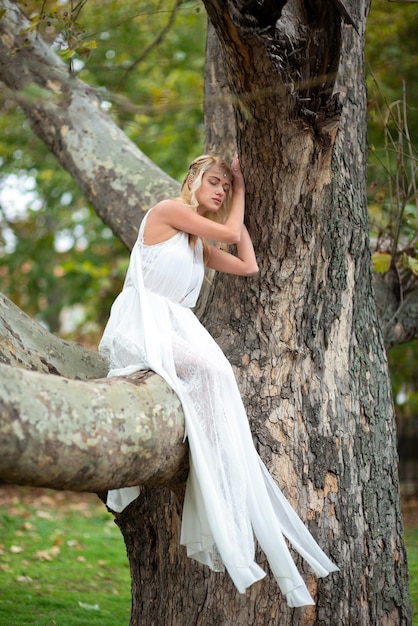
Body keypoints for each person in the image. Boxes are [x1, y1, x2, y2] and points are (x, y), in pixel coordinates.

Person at [99, 154, 338, 607]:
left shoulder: (196, 241)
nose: (220, 191)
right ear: (192, 180)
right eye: (214, 182)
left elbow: (247, 265)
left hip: (177, 326)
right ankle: (210, 455)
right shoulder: (168, 211)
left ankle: (214, 458)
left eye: (225, 188)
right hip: (145, 323)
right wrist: (241, 191)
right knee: (212, 370)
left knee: (218, 372)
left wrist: (234, 205)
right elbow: (230, 232)